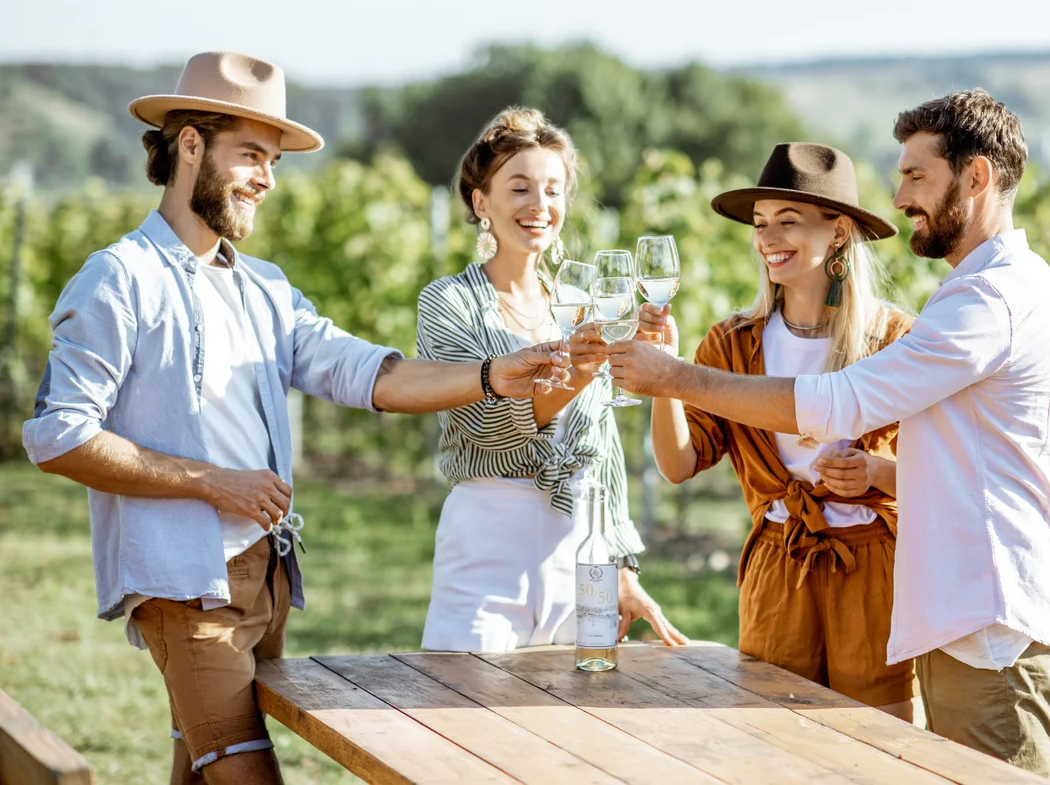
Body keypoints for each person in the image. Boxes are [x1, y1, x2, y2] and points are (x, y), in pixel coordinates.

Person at [22, 52, 567, 785]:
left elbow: (368, 372)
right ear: (190, 145)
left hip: (265, 577)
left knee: (202, 765)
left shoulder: (265, 289)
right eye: (251, 155)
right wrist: (215, 483)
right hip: (187, 588)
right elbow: (58, 436)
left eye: (273, 161)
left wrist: (491, 375)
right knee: (244, 770)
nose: (268, 180)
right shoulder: (120, 277)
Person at [608, 90, 1050, 780]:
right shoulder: (980, 291)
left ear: (976, 178)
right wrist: (675, 378)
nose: (900, 196)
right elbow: (951, 458)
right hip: (954, 606)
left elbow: (841, 402)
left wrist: (674, 377)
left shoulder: (984, 301)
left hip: (987, 613)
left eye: (916, 176)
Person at [637, 143, 917, 721]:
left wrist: (877, 473)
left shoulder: (895, 339)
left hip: (871, 567)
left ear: (838, 233)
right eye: (761, 224)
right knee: (774, 742)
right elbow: (677, 465)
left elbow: (944, 471)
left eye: (788, 222)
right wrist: (666, 375)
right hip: (779, 562)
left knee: (881, 746)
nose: (767, 238)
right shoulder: (733, 343)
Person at [416, 106, 687, 652]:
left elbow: (603, 449)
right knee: (462, 717)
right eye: (520, 188)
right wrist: (581, 374)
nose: (540, 206)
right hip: (488, 543)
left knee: (577, 724)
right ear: (481, 203)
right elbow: (486, 424)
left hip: (580, 552)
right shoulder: (447, 303)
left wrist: (622, 565)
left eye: (554, 190)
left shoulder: (584, 308)